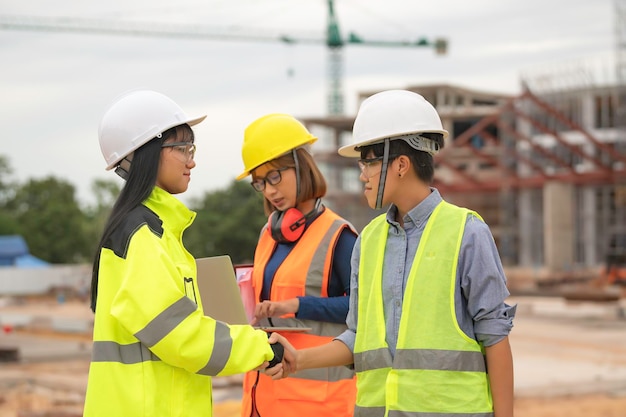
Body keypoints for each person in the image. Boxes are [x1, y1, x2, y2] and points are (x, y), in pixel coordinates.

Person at [268, 90, 516, 417]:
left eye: (367, 162)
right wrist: (299, 360)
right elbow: (359, 337)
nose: (362, 175)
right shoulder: (369, 240)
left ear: (400, 165)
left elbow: (495, 338)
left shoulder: (466, 232)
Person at [83, 90, 278, 417]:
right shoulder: (142, 234)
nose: (192, 160)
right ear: (146, 154)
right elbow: (179, 335)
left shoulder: (154, 231)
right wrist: (261, 348)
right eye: (182, 148)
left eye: (191, 148)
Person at [236, 113, 358, 417]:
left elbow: (362, 308)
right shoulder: (268, 234)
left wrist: (295, 305)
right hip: (263, 397)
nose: (269, 190)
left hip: (317, 403)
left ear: (302, 166)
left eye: (275, 176)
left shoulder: (339, 236)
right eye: (260, 183)